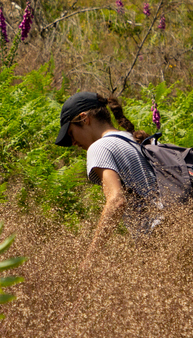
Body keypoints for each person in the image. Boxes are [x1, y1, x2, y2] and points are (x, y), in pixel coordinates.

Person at [54, 91, 160, 265]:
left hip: (156, 238)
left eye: (71, 134)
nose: (73, 143)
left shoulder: (99, 147)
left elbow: (116, 201)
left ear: (84, 118)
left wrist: (91, 257)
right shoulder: (135, 139)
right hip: (179, 228)